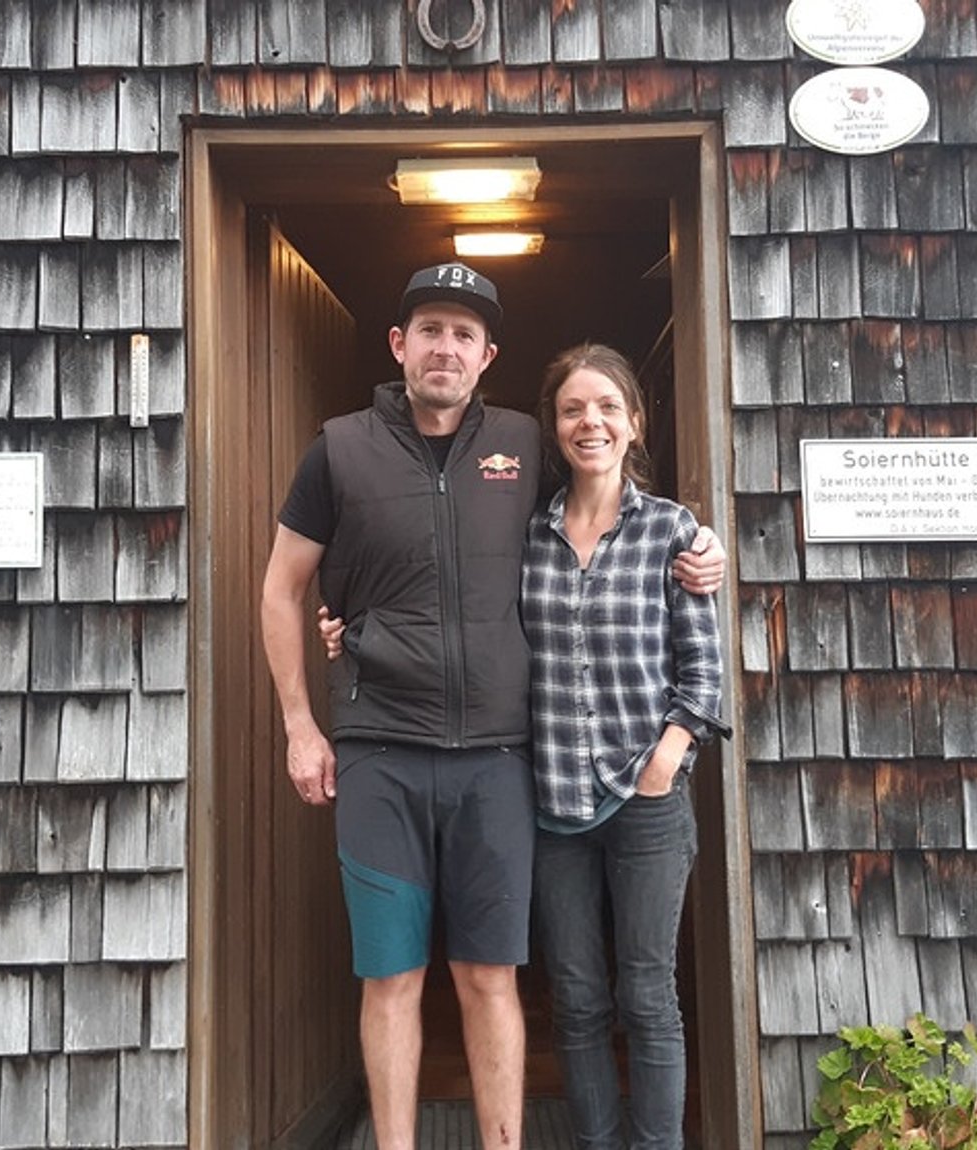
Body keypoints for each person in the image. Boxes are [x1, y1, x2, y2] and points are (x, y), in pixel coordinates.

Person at [260, 264, 723, 1150]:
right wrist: (300, 724)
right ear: (399, 345)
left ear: (488, 356)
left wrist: (704, 543)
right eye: (429, 328)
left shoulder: (524, 443)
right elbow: (282, 589)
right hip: (379, 753)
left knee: (491, 975)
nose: (446, 347)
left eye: (464, 334)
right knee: (392, 975)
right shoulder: (338, 448)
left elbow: (607, 483)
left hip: (503, 760)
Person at [522, 342, 728, 1150]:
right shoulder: (527, 535)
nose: (590, 422)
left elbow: (703, 670)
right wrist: (348, 629)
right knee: (575, 998)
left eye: (606, 407)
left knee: (648, 995)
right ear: (555, 426)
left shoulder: (674, 531)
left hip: (648, 799)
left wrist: (668, 753)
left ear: (635, 423)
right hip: (552, 803)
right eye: (573, 409)